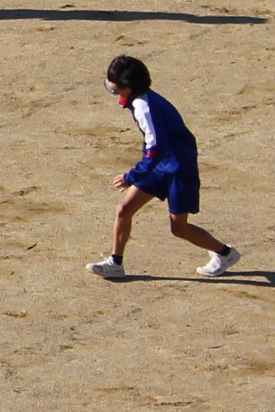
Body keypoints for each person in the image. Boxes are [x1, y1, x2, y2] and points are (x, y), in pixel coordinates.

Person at [92, 54, 241, 280]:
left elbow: (155, 147)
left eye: (116, 89)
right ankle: (116, 263)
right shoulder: (143, 99)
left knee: (179, 229)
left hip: (178, 169)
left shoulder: (144, 107)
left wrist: (132, 175)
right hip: (159, 165)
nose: (115, 95)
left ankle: (225, 253)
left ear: (129, 87)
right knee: (124, 210)